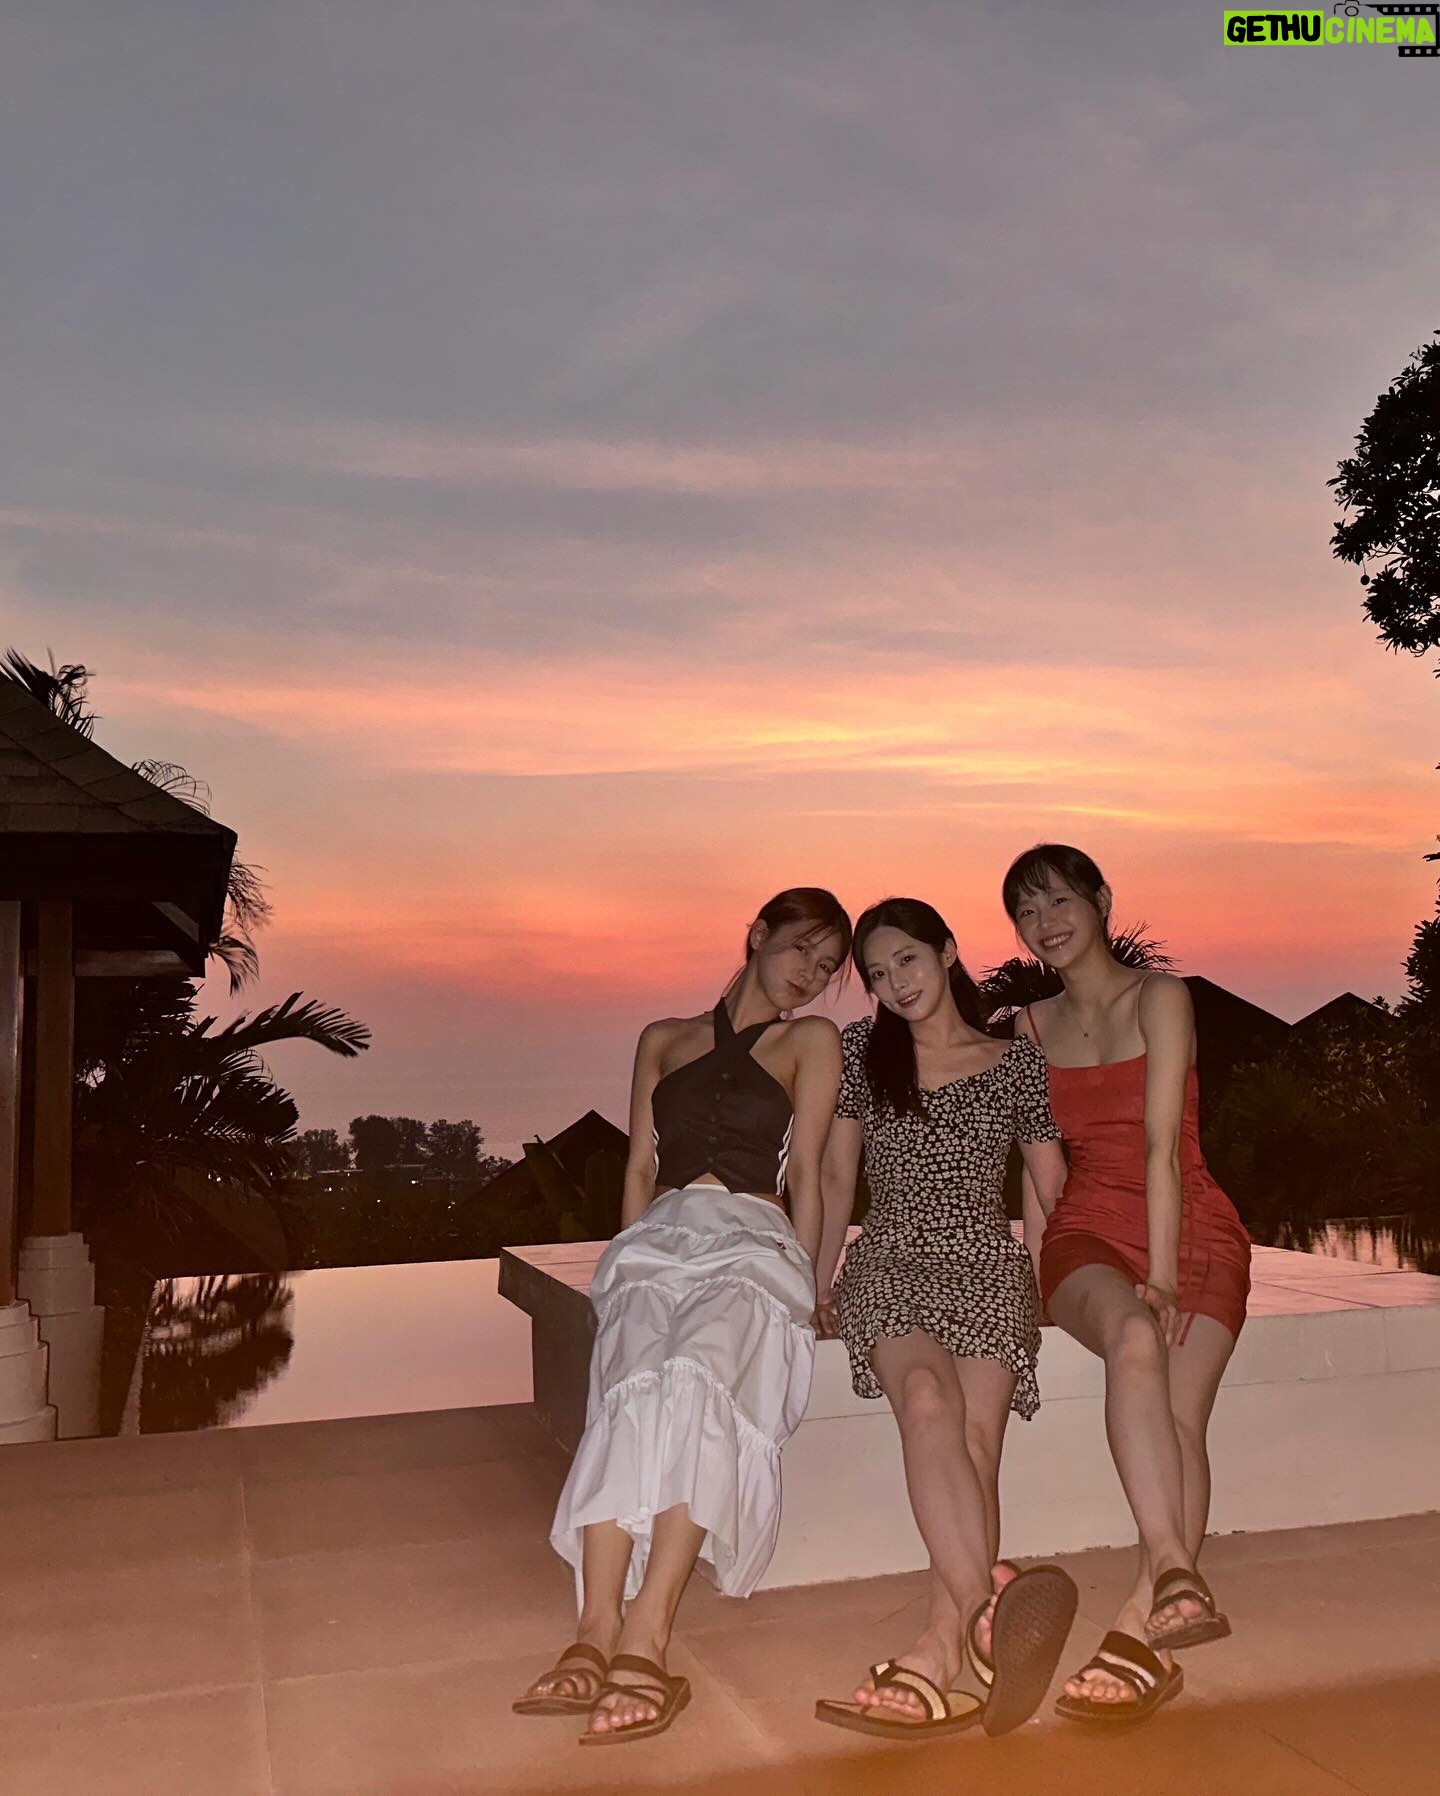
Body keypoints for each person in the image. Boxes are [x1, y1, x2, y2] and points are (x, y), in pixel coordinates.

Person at [514, 887, 851, 1745]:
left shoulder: (812, 1041)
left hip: (752, 1240)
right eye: (801, 950)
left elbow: (808, 1176)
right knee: (628, 1390)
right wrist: (619, 1275)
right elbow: (638, 1167)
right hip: (658, 1240)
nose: (810, 975)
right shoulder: (662, 1038)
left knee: (698, 1377)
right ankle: (592, 1632)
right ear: (757, 935)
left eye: (826, 966)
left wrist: (809, 1287)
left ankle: (646, 1638)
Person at [811, 898, 1076, 1742]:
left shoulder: (1015, 1061)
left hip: (987, 1261)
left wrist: (1051, 1286)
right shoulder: (863, 1053)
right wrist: (814, 1281)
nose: (895, 984)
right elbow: (835, 1178)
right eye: (877, 974)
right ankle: (984, 1608)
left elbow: (1046, 1184)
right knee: (926, 1400)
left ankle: (940, 1650)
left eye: (907, 960)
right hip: (891, 1256)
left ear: (948, 951)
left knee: (975, 1445)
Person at [1004, 844, 1251, 1727]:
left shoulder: (1161, 997)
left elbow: (1160, 1148)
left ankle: (1144, 1628)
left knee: (1181, 1421)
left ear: (1101, 899)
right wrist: (1033, 1281)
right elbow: (1038, 1168)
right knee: (1135, 1336)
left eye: (1059, 901)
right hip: (1086, 1234)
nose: (1045, 924)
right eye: (1027, 913)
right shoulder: (1028, 1029)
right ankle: (1176, 1572)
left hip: (1191, 1227)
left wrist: (1166, 1272)